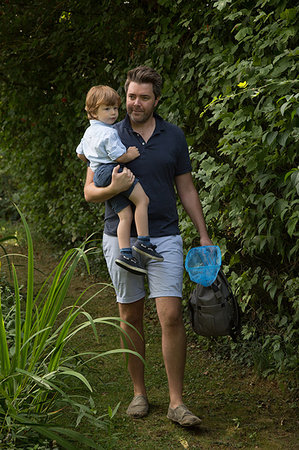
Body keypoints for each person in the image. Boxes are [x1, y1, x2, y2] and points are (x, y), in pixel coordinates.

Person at [84, 66, 212, 427]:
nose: (134, 103)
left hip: (165, 236)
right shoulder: (107, 131)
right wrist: (114, 188)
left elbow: (186, 188)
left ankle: (176, 402)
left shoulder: (174, 137)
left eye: (143, 97)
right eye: (130, 96)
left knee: (170, 315)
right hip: (119, 238)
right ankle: (139, 393)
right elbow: (90, 191)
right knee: (130, 316)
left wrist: (203, 233)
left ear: (157, 99)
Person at [76, 85, 163, 276]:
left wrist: (94, 159)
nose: (113, 113)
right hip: (113, 170)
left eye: (115, 108)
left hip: (99, 175)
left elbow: (80, 154)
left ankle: (125, 254)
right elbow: (118, 156)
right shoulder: (109, 132)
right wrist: (130, 154)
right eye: (107, 109)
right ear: (93, 112)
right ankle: (144, 242)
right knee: (142, 200)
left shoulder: (88, 132)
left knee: (125, 215)